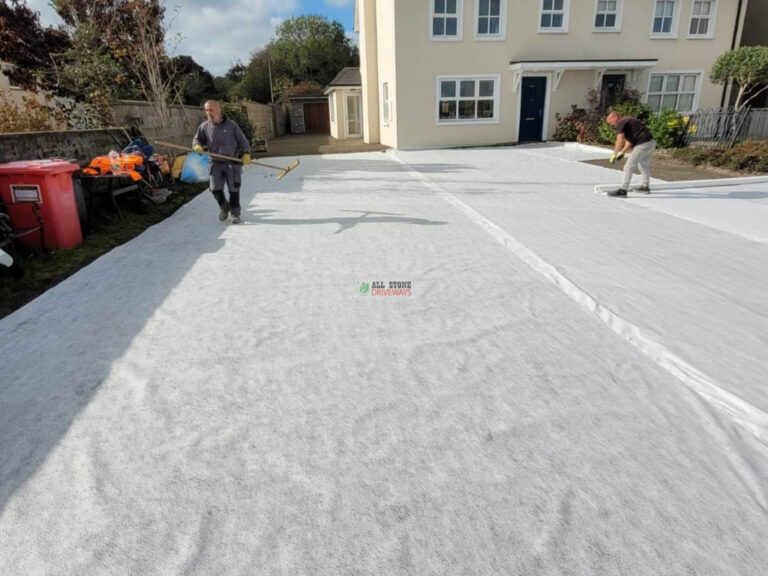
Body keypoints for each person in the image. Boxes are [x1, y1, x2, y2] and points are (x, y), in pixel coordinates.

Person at [193, 100, 251, 223]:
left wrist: (246, 153)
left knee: (233, 189)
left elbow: (243, 140)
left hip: (232, 163)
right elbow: (197, 140)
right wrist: (197, 146)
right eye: (207, 110)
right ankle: (224, 207)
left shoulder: (232, 125)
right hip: (215, 163)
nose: (209, 113)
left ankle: (235, 214)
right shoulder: (204, 127)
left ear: (219, 110)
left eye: (211, 110)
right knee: (215, 189)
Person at [605, 110, 656, 197]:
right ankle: (645, 187)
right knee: (643, 166)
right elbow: (629, 142)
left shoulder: (621, 122)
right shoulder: (629, 120)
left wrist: (614, 154)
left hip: (642, 145)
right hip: (651, 143)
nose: (611, 124)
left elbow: (620, 140)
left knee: (628, 167)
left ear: (616, 117)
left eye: (610, 122)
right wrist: (623, 152)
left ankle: (623, 190)